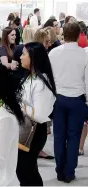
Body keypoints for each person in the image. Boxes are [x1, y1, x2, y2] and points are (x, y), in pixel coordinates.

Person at [49, 22, 88, 183]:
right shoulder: (84, 55)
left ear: (63, 34)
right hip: (78, 100)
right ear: (79, 35)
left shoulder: (53, 53)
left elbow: (49, 78)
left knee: (58, 136)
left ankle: (59, 170)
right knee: (74, 137)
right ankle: (69, 172)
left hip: (58, 99)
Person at [16, 42, 56, 186]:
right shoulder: (29, 77)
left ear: (33, 57)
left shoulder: (41, 82)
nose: (20, 57)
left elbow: (39, 114)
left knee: (25, 170)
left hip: (34, 130)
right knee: (27, 170)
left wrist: (18, 106)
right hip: (26, 128)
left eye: (24, 54)